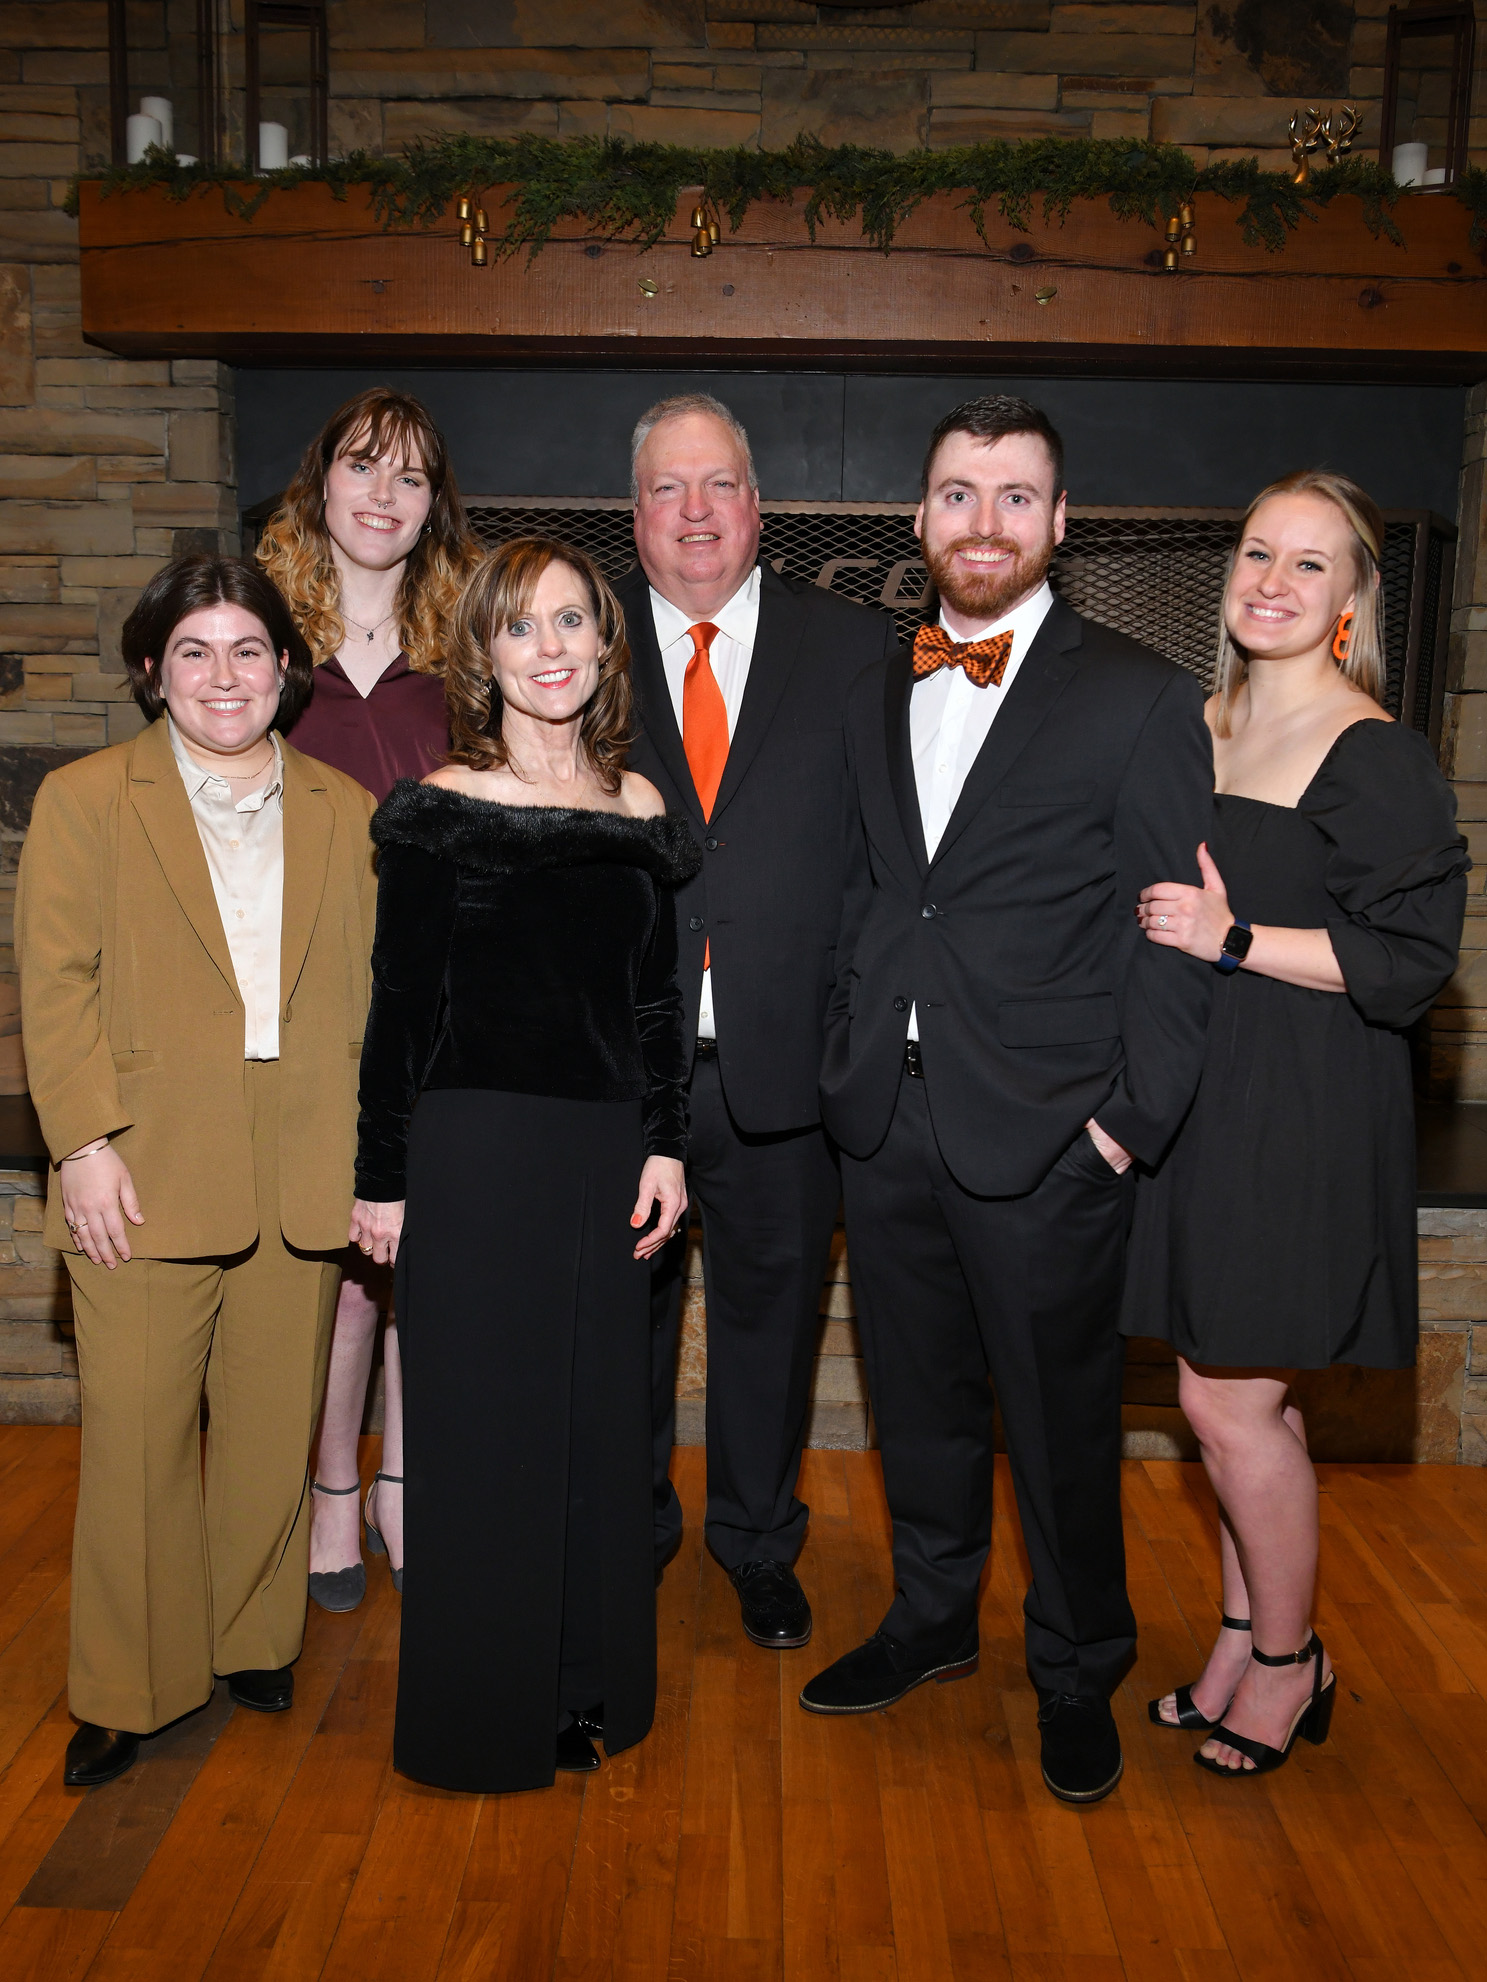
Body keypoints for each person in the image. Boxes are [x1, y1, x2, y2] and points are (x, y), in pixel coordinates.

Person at [804, 395, 1214, 1806]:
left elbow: (1168, 925)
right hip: (888, 1117)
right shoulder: (871, 680)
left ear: (1059, 523)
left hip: (1048, 1133)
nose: (984, 523)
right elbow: (869, 883)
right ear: (918, 519)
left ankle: (1074, 1663)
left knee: (1054, 1423)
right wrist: (849, 1048)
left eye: (1014, 496)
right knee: (915, 1405)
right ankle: (927, 1620)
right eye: (957, 494)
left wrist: (1123, 1122)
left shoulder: (1143, 696)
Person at [1125, 470, 1467, 1778]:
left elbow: (1408, 957)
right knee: (1226, 1400)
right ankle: (1236, 1635)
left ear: (1351, 601)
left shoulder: (1368, 750)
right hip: (1195, 1103)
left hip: (1298, 1114)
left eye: (1309, 563)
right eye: (1257, 551)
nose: (1271, 578)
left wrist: (1229, 939)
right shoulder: (1189, 725)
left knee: (1224, 1403)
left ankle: (1285, 1662)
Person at [18, 554, 377, 1789]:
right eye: (193, 651)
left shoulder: (348, 808)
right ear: (153, 671)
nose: (223, 676)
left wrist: (379, 1158)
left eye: (246, 650)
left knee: (275, 1424)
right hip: (142, 1160)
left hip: (305, 1155)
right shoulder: (84, 798)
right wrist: (83, 1142)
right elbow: (53, 984)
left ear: (286, 671)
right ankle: (129, 1686)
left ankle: (251, 1637)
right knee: (134, 1441)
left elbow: (383, 1000)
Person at [351, 536, 699, 1792]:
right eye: (519, 626)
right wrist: (381, 1176)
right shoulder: (439, 808)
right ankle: (481, 1717)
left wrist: (666, 1143)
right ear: (481, 650)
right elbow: (399, 1008)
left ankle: (582, 1683)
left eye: (570, 622)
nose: (548, 648)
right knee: (486, 1438)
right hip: (473, 1154)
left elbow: (656, 1007)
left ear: (605, 646)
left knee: (599, 1431)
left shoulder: (643, 808)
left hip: (607, 1151)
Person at [617, 393, 899, 1650]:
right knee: (620, 1320)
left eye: (716, 484)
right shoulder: (576, 644)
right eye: (667, 489)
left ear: (756, 506)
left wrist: (854, 1037)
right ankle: (625, 1528)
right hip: (624, 1074)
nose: (693, 512)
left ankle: (754, 1540)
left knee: (771, 1327)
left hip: (787, 1071)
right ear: (632, 516)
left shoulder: (851, 649)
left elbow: (887, 860)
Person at [258, 386, 479, 1612]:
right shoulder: (265, 642)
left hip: (443, 994)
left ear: (430, 503)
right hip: (307, 996)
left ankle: (408, 1475)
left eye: (408, 476)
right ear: (322, 485)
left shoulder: (464, 650)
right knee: (347, 1261)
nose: (382, 495)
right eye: (361, 467)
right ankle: (330, 1483)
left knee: (426, 1251)